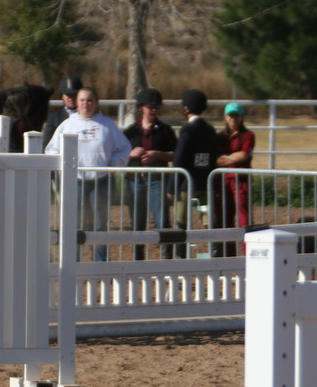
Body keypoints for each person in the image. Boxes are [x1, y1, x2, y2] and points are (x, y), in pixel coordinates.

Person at [45, 86, 130, 262]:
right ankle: (72, 262)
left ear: (96, 103)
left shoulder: (107, 125)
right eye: (82, 100)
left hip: (101, 182)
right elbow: (51, 149)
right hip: (75, 182)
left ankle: (100, 262)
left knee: (100, 224)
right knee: (74, 223)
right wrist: (63, 167)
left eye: (90, 100)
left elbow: (124, 148)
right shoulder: (67, 125)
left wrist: (114, 165)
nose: (86, 104)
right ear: (77, 102)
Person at [123, 88, 176, 260]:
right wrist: (131, 154)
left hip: (157, 180)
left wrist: (157, 154)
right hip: (135, 180)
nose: (154, 110)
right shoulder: (129, 132)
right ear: (141, 108)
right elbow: (120, 154)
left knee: (162, 220)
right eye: (150, 106)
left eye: (156, 107)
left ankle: (165, 258)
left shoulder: (166, 131)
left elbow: (175, 154)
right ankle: (138, 259)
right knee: (137, 222)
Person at [171, 89, 218, 258]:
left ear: (186, 109)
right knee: (207, 218)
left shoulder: (187, 131)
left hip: (186, 183)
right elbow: (213, 157)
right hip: (205, 181)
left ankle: (180, 256)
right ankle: (214, 249)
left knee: (181, 220)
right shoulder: (210, 130)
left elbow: (179, 160)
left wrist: (172, 186)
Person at [214, 102, 255, 256]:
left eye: (236, 115)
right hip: (222, 182)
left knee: (244, 219)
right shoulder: (218, 137)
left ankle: (247, 255)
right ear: (225, 117)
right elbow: (215, 158)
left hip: (240, 181)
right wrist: (233, 158)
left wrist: (223, 159)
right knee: (224, 220)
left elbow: (243, 155)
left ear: (242, 117)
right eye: (230, 115)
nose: (233, 119)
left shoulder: (248, 135)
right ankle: (228, 256)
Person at [42, 75, 81, 148]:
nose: (71, 98)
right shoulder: (53, 118)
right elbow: (47, 144)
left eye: (74, 95)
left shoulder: (89, 117)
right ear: (62, 96)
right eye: (68, 95)